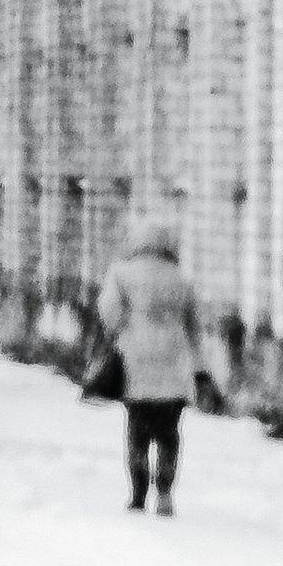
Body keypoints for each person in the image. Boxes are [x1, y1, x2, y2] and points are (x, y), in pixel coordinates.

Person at [97, 215, 199, 516]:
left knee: (137, 431)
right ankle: (165, 492)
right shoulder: (181, 277)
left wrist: (123, 328)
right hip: (174, 364)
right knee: (169, 433)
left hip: (135, 362)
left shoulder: (122, 273)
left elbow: (109, 313)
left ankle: (138, 494)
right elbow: (194, 323)